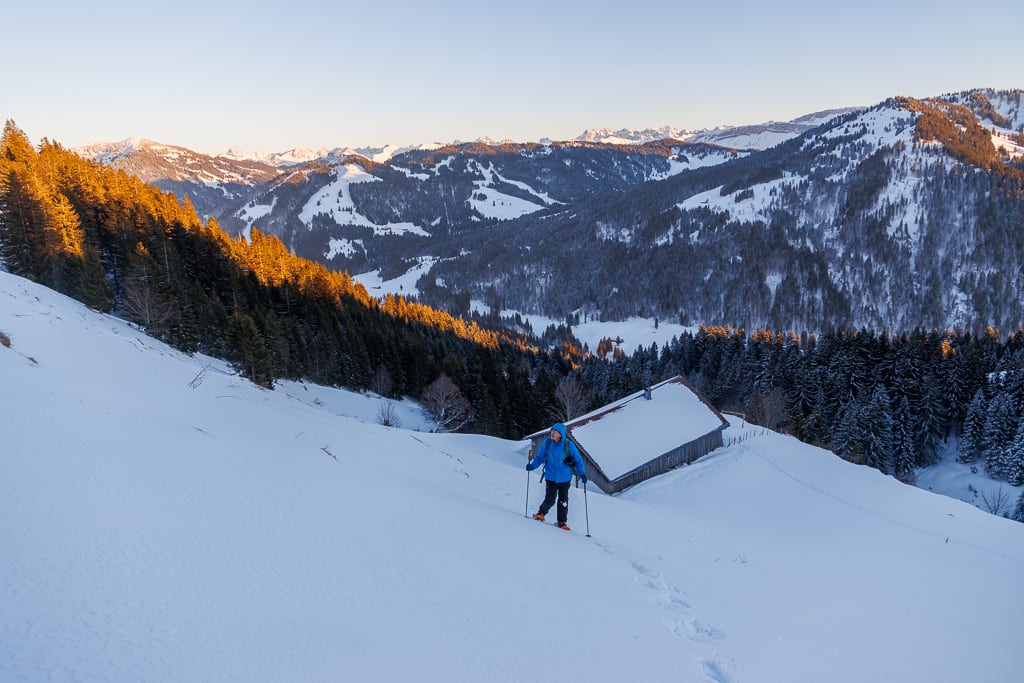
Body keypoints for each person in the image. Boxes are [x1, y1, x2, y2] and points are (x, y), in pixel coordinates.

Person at [527, 422, 587, 530]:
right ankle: (541, 513)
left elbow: (578, 460)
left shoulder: (568, 445)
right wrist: (532, 466)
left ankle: (562, 522)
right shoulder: (547, 443)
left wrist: (582, 474)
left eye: (555, 431)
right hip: (550, 476)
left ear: (561, 434)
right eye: (552, 430)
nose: (552, 433)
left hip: (565, 478)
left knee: (563, 501)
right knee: (550, 498)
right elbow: (540, 457)